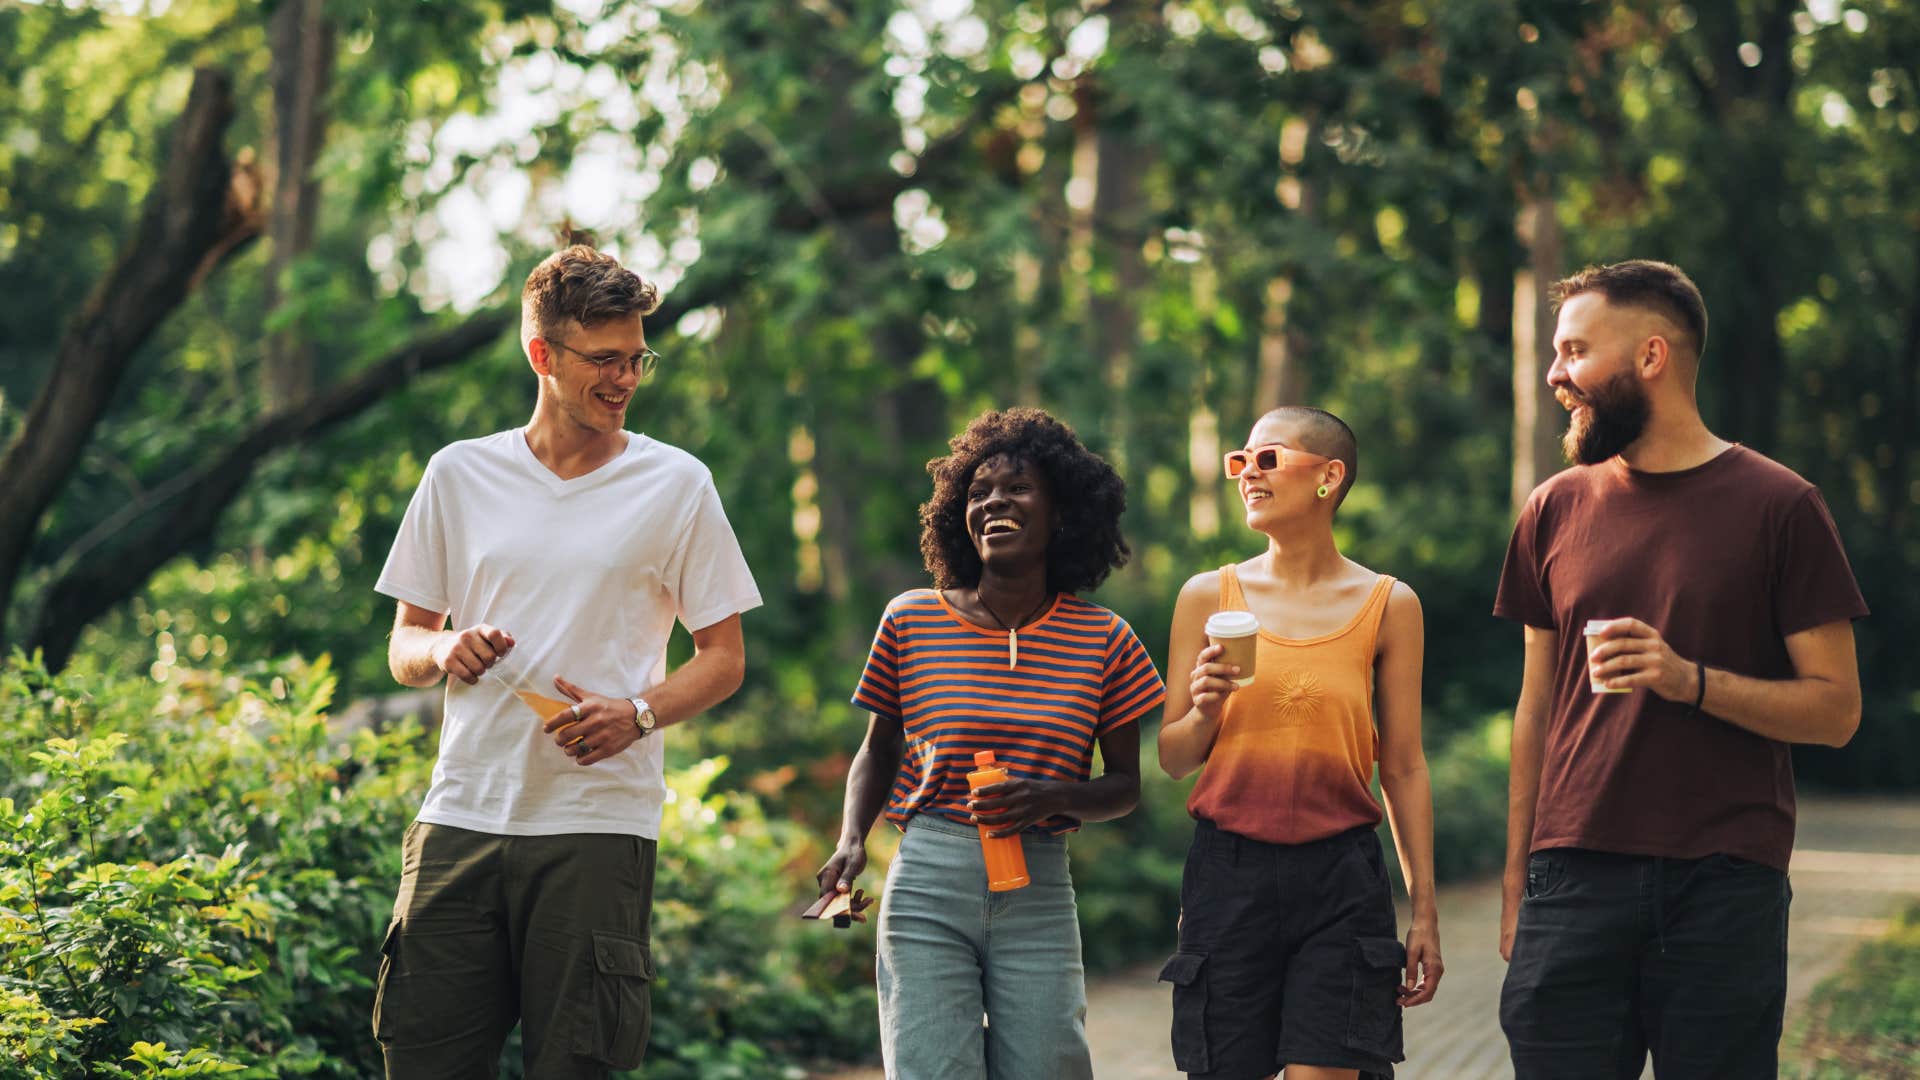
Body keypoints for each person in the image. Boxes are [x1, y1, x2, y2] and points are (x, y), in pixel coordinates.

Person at [369, 244, 762, 1077]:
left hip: (596, 826)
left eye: (637, 359)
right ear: (542, 355)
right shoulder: (458, 475)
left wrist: (639, 713)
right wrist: (446, 647)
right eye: (605, 360)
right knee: (421, 1062)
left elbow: (723, 657)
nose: (625, 379)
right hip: (461, 819)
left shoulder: (677, 486)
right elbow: (405, 643)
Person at [1495, 259, 1867, 1078]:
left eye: (1575, 352)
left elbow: (1837, 710)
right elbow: (1535, 708)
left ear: (1652, 357)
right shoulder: (1553, 507)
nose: (1557, 375)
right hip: (1571, 877)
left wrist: (1687, 679)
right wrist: (1518, 873)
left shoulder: (1782, 506)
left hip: (1725, 882)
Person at [816, 407, 1167, 1080]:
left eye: (1017, 488)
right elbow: (878, 750)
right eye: (978, 493)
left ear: (1060, 512)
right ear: (959, 515)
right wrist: (851, 838)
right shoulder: (911, 619)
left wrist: (1051, 796)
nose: (995, 502)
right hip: (928, 876)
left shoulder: (1106, 639)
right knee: (931, 1069)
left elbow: (1125, 786)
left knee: (1049, 1067)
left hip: (1037, 883)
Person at [1157, 406, 1441, 1080]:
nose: (1247, 474)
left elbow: (1401, 765)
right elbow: (1173, 758)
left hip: (1342, 877)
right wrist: (1203, 710)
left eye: (1268, 458)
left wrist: (1425, 908)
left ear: (1329, 476)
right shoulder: (1206, 597)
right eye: (1239, 461)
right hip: (1229, 877)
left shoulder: (1389, 603)